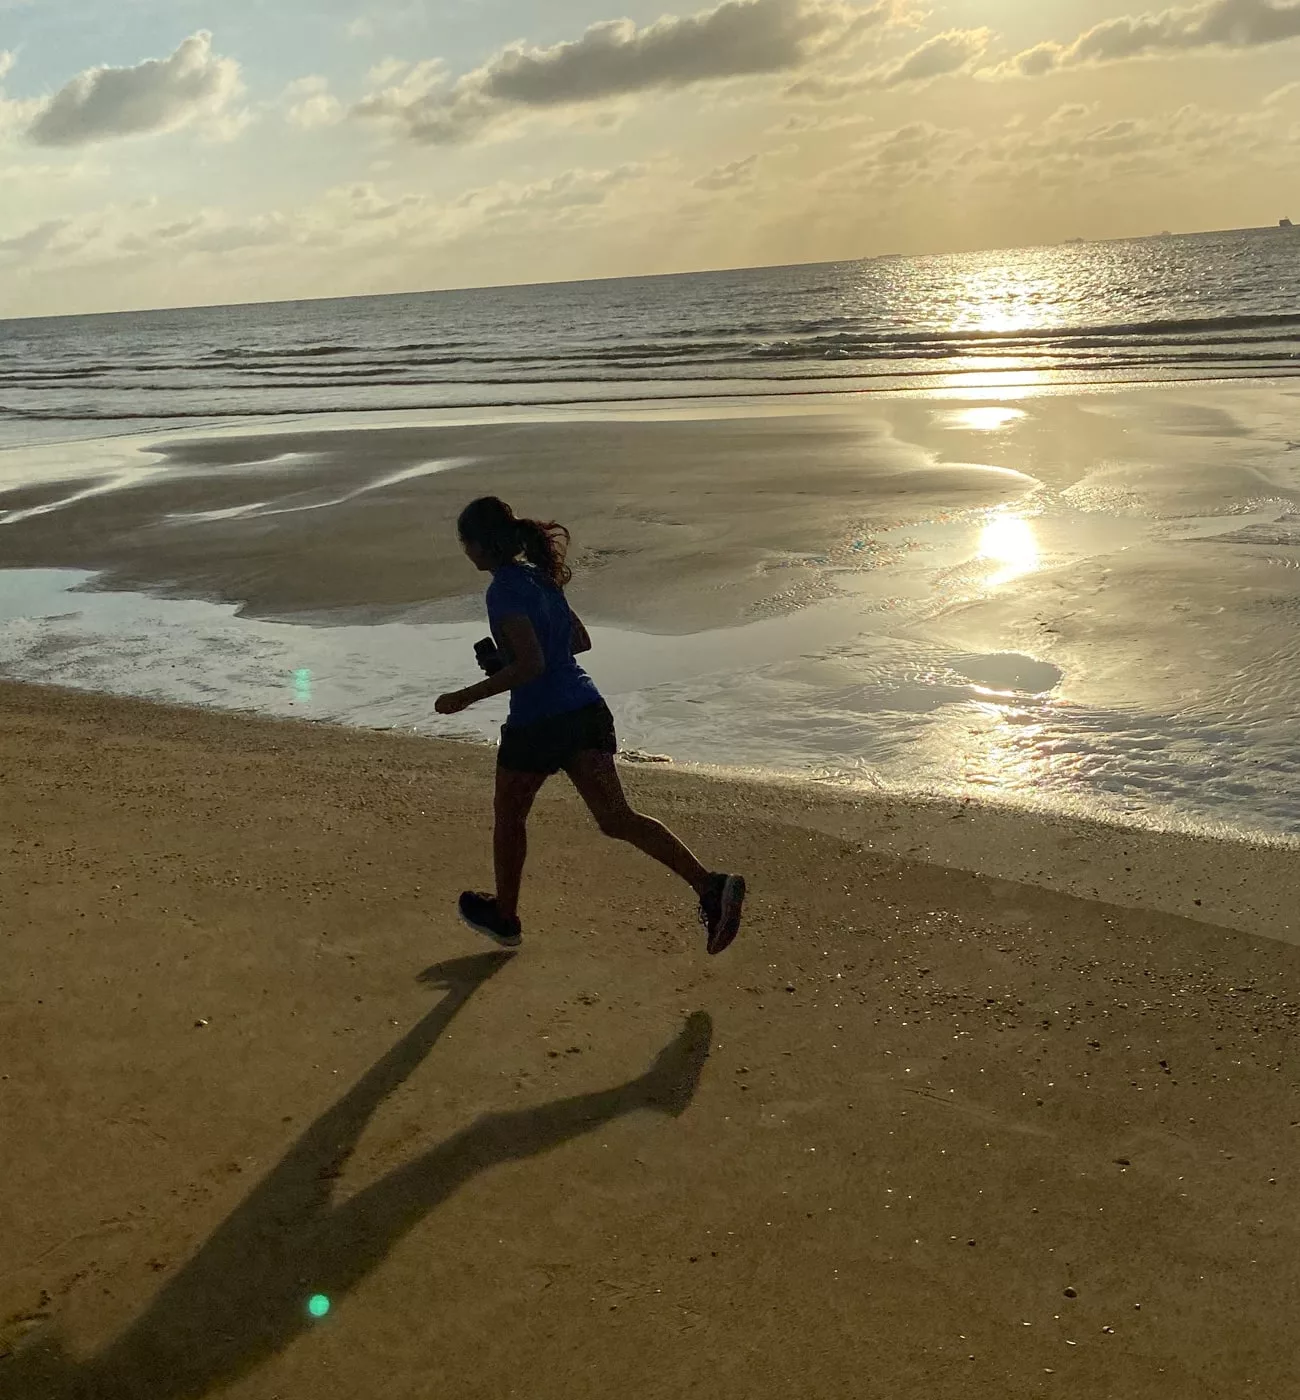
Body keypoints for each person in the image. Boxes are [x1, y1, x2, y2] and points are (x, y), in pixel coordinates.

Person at [435, 496, 745, 955]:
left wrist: (466, 696)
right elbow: (577, 640)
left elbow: (532, 665)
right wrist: (510, 659)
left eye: (465, 543)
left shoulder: (502, 590)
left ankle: (505, 916)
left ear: (480, 545)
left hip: (539, 722)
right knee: (617, 818)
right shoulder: (540, 578)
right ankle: (710, 885)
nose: (465, 552)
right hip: (585, 709)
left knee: (509, 817)